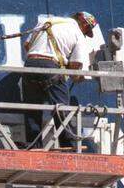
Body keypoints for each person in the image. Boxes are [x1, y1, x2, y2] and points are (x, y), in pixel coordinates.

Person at [20, 11, 99, 148]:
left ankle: (33, 146)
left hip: (30, 64)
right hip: (51, 66)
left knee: (32, 110)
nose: (86, 33)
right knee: (62, 108)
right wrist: (77, 77)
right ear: (84, 24)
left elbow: (27, 46)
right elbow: (75, 68)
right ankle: (67, 145)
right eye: (87, 30)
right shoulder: (77, 33)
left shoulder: (47, 21)